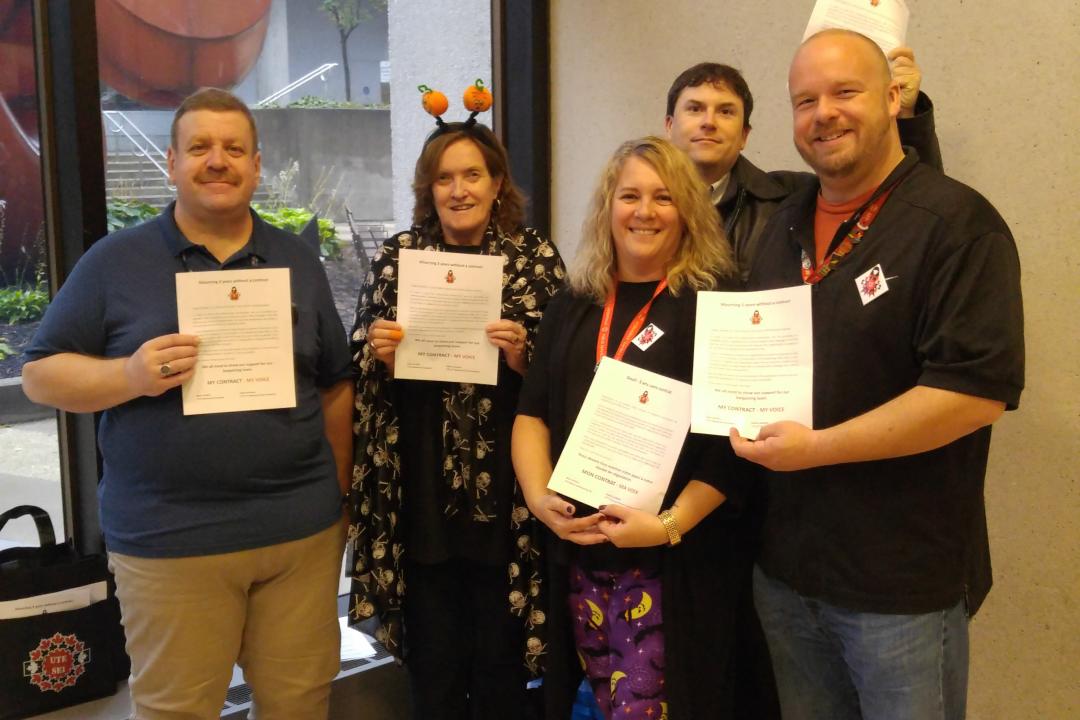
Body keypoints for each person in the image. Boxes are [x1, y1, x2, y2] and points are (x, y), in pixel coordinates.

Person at [21, 88, 353, 720]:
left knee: (301, 703)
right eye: (200, 147)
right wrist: (130, 375)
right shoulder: (115, 262)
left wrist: (335, 494)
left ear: (257, 166)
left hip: (299, 538)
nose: (217, 160)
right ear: (171, 163)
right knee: (176, 710)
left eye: (234, 148)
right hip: (170, 540)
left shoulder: (296, 259)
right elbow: (40, 376)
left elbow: (335, 382)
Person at [732, 30, 1024, 720]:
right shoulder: (784, 223)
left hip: (899, 589)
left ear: (894, 97)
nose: (823, 114)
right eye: (805, 101)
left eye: (845, 92)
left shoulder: (957, 225)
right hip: (786, 576)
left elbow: (971, 396)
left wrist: (817, 449)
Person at [513, 136, 757, 719]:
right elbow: (532, 414)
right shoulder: (574, 302)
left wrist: (668, 526)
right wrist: (540, 499)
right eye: (630, 196)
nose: (644, 211)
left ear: (688, 211)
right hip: (580, 555)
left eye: (663, 197)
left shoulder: (716, 304)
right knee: (593, 705)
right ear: (608, 206)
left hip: (675, 565)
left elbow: (733, 447)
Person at [347, 115, 565, 718]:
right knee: (434, 664)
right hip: (422, 493)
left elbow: (570, 369)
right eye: (444, 178)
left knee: (500, 663)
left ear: (497, 182)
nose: (459, 190)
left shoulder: (533, 257)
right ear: (428, 188)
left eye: (472, 175)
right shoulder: (400, 256)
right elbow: (357, 357)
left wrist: (524, 356)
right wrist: (378, 353)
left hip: (510, 497)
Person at [664, 47, 940, 282]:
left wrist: (906, 117)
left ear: (744, 135)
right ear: (669, 125)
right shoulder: (641, 207)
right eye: (695, 109)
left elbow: (909, 208)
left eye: (726, 111)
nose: (709, 122)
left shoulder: (792, 200)